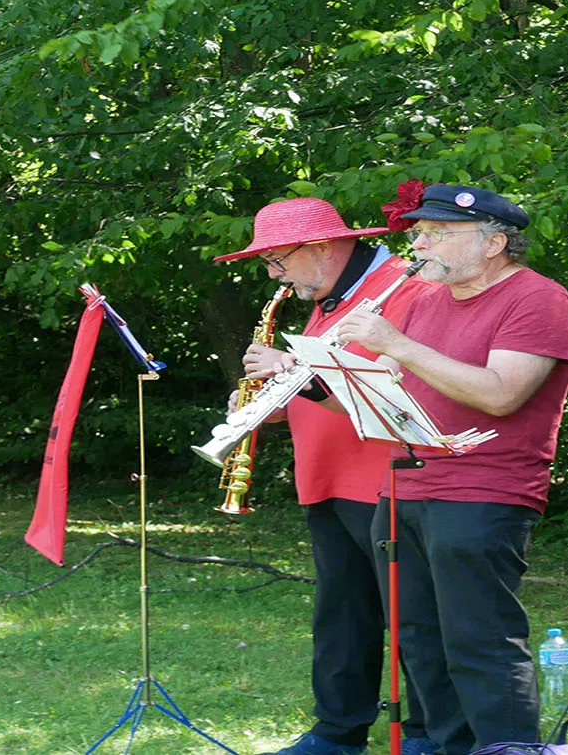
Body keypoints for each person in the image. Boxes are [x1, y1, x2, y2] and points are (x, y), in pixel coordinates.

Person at [335, 184, 568, 755]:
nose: (419, 243)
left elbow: (501, 395)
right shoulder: (424, 298)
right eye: (420, 232)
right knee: (419, 640)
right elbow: (384, 393)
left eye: (437, 233)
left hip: (483, 489)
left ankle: (507, 747)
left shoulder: (538, 299)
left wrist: (395, 343)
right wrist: (300, 380)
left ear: (495, 242)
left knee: (480, 638)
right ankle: (452, 746)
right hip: (403, 487)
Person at [213, 195, 438, 755]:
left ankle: (432, 735)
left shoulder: (402, 287)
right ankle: (337, 732)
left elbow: (399, 384)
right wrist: (264, 402)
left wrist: (296, 373)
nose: (273, 275)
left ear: (319, 249)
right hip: (328, 479)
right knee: (341, 618)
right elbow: (317, 385)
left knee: (415, 622)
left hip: (389, 478)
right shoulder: (326, 299)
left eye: (277, 261)